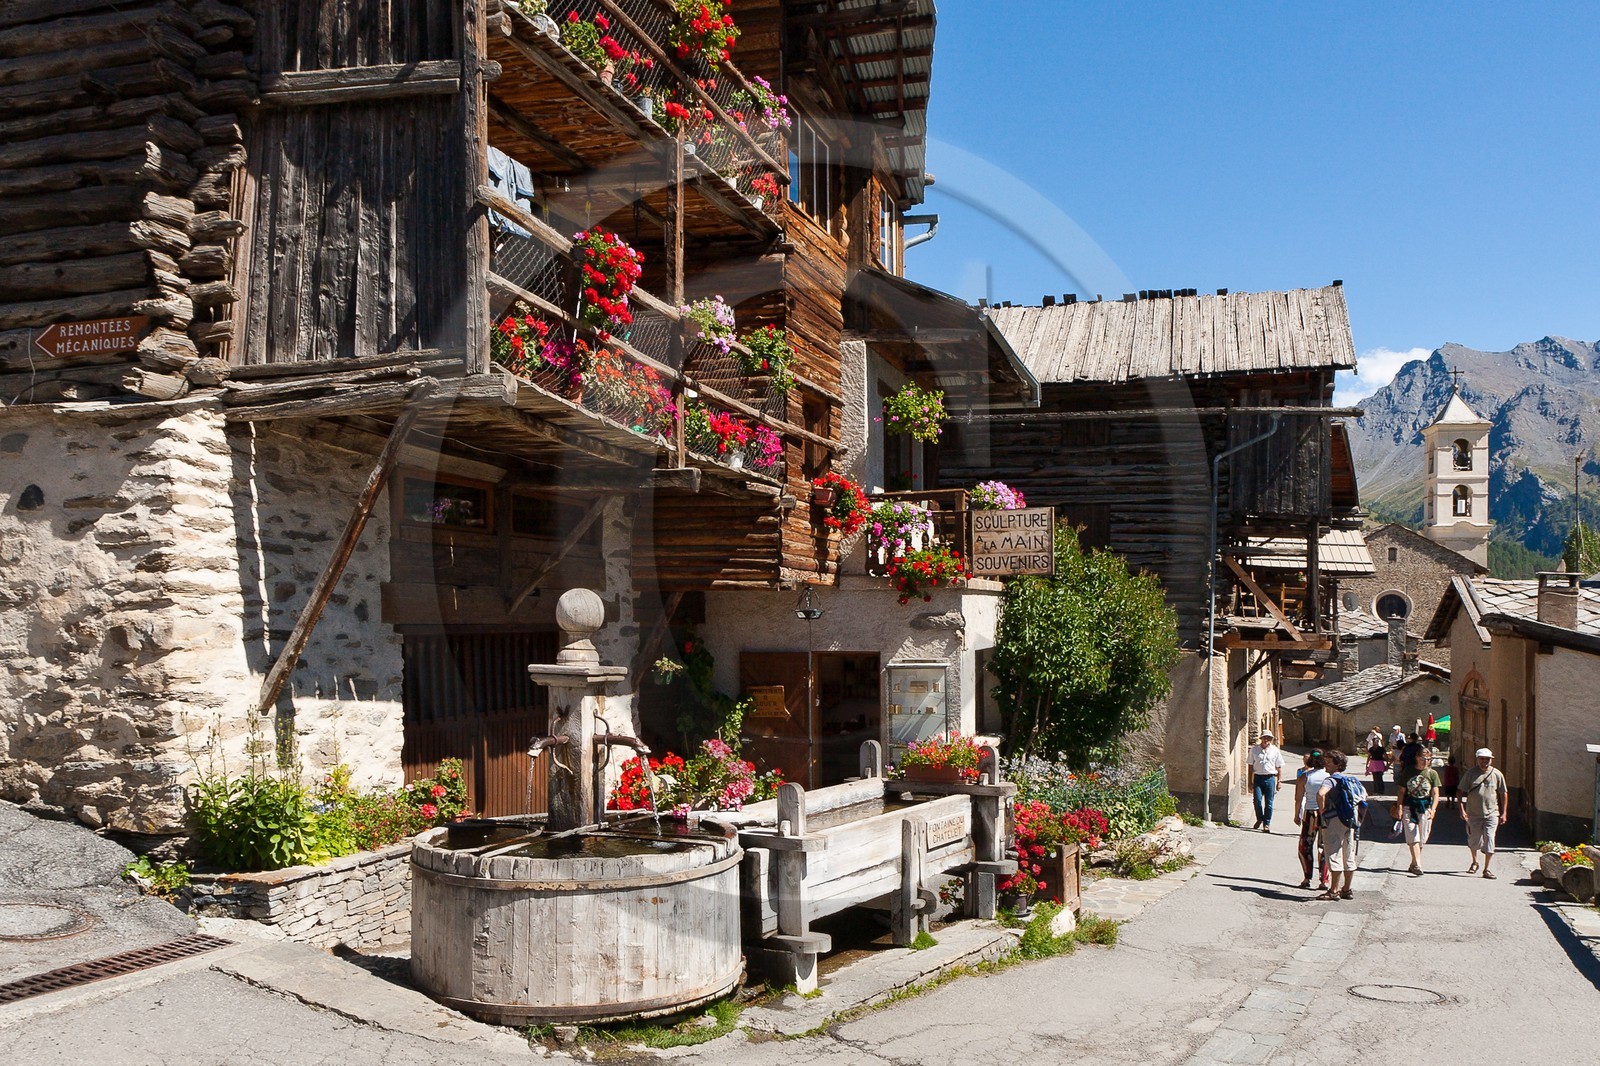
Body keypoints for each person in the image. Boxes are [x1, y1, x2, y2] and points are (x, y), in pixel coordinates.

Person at [1315, 750, 1359, 900]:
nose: (1325, 763)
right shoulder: (1351, 780)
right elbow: (1363, 796)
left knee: (1333, 853)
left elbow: (1321, 794)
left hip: (1334, 820)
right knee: (1348, 854)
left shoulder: (1330, 780)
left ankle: (1333, 890)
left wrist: (1323, 813)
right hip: (1350, 821)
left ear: (1338, 765)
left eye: (1329, 761)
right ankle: (1346, 889)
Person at [1460, 747, 1509, 878]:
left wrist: (1504, 812)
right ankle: (1475, 861)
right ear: (1477, 759)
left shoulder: (1497, 774)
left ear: (1491, 760)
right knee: (1474, 840)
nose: (1484, 761)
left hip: (1492, 813)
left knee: (1490, 838)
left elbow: (1503, 793)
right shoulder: (1471, 774)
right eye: (1482, 759)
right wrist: (1462, 809)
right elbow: (1460, 791)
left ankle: (1487, 869)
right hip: (1473, 813)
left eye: (1487, 759)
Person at [1393, 748, 1440, 875]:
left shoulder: (1432, 774)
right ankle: (1418, 865)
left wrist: (1433, 809)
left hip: (1425, 808)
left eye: (1428, 759)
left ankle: (1413, 862)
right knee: (1413, 836)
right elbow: (1401, 791)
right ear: (1417, 758)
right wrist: (1399, 807)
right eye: (1423, 759)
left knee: (1422, 838)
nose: (1426, 762)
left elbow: (1435, 793)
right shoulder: (1408, 771)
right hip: (1409, 807)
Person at [1293, 750, 1329, 890]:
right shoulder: (1328, 777)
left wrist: (1297, 815)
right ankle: (1324, 879)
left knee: (1305, 846)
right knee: (1324, 846)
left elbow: (1298, 798)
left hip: (1310, 813)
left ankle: (1307, 878)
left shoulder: (1305, 777)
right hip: (1326, 814)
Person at [1248, 732, 1285, 832]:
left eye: (1269, 738)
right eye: (1265, 737)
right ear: (1261, 738)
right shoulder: (1254, 750)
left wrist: (1279, 781)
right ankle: (1260, 818)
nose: (1266, 740)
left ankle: (1266, 824)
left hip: (1270, 778)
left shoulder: (1275, 750)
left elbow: (1279, 767)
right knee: (1257, 800)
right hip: (1258, 778)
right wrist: (1249, 782)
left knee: (1269, 803)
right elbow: (1250, 766)